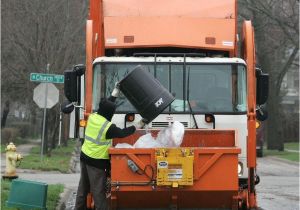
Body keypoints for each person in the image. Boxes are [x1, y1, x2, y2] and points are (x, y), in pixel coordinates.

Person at [74, 84, 145, 210]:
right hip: (96, 163)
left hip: (84, 157)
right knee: (98, 193)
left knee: (82, 189)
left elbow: (106, 105)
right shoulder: (108, 127)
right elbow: (123, 133)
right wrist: (139, 124)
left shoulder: (93, 117)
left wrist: (114, 93)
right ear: (109, 114)